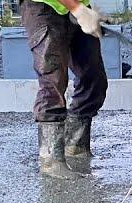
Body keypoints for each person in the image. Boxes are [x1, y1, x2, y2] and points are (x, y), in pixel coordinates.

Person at [22, 0, 107, 178]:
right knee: (53, 80)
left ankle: (75, 145)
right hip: (44, 7)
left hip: (78, 6)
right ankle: (51, 160)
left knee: (93, 77)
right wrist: (76, 9)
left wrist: (83, 9)